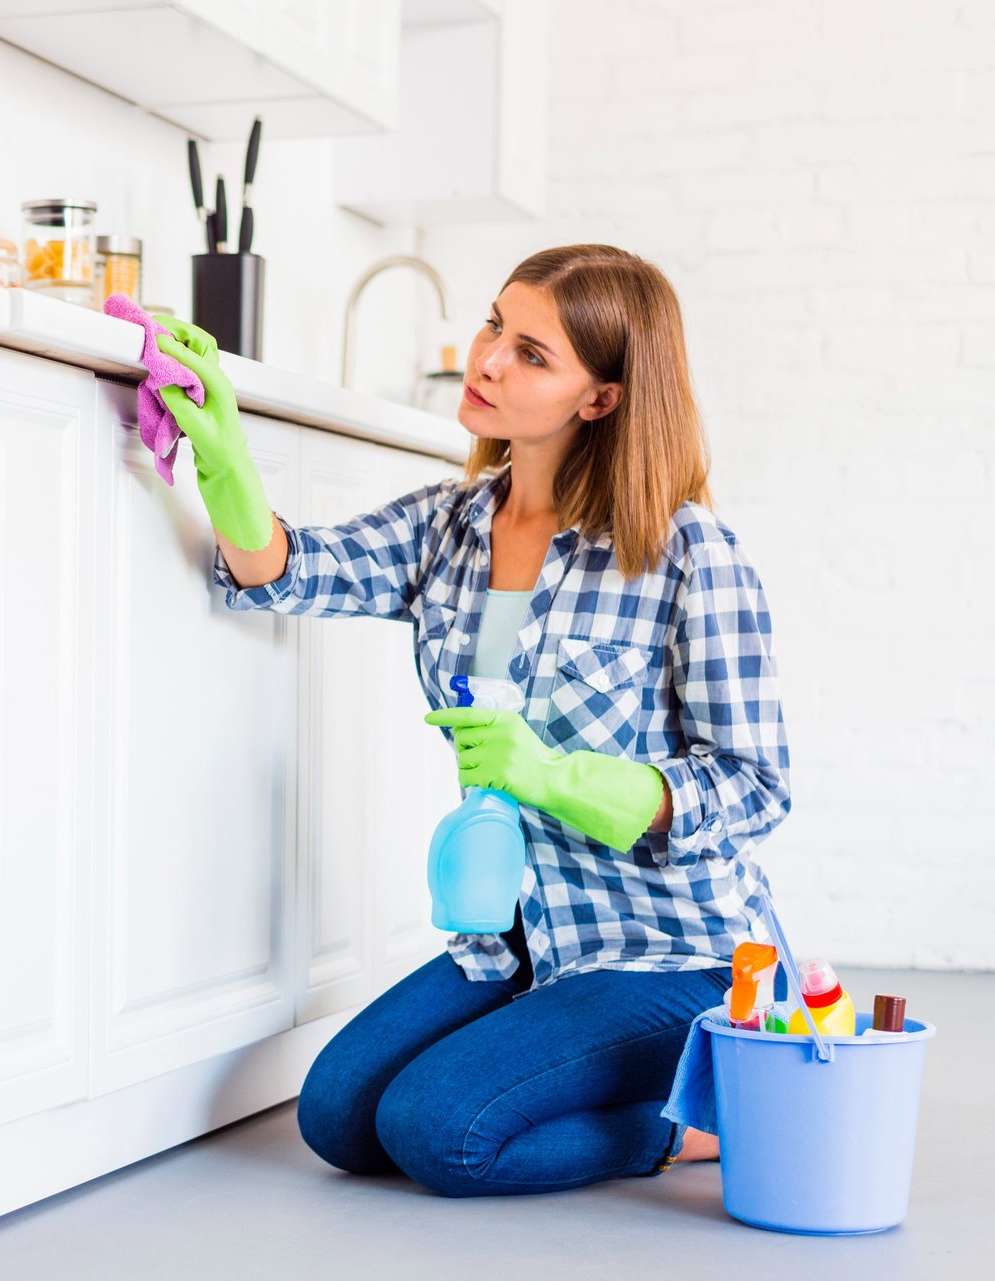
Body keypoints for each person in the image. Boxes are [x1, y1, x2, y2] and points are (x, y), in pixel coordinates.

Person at [152, 244, 790, 1197]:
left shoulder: (687, 549)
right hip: (522, 937)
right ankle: (597, 1072)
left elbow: (756, 784)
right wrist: (223, 446)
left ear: (602, 399)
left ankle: (713, 1121)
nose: (487, 360)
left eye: (533, 354)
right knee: (335, 1115)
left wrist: (556, 776)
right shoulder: (450, 525)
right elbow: (289, 568)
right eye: (496, 326)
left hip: (677, 950)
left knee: (439, 1130)